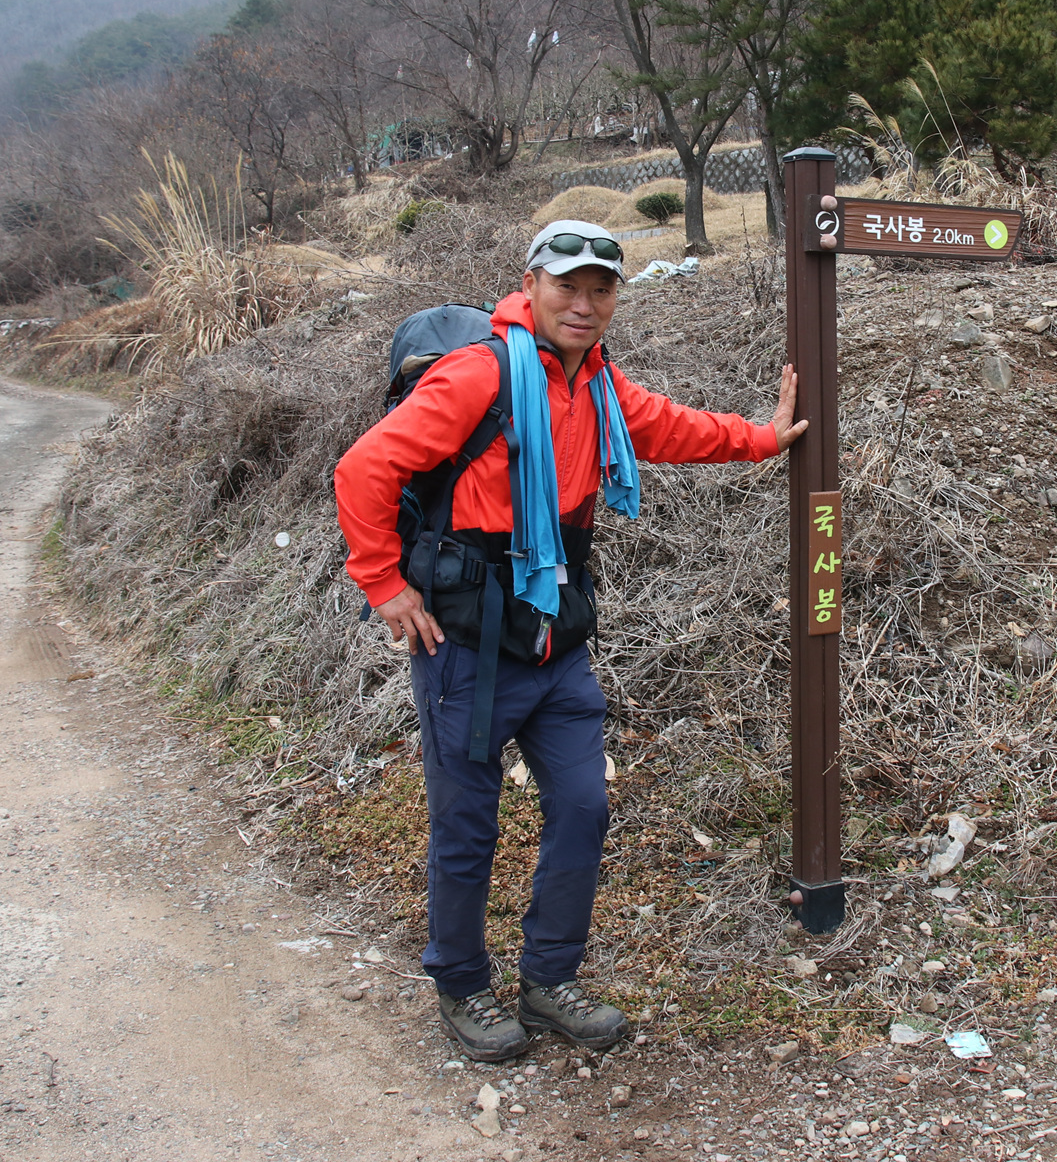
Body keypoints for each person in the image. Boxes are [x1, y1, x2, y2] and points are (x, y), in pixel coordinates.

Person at [333, 221, 807, 1061]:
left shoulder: (596, 384)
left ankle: (548, 981)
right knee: (467, 826)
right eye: (569, 287)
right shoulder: (478, 373)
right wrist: (384, 584)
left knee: (584, 808)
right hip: (469, 648)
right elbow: (364, 469)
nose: (585, 305)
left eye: (602, 289)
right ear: (532, 285)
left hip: (555, 640)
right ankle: (462, 985)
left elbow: (667, 428)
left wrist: (762, 438)